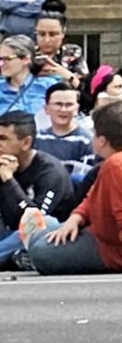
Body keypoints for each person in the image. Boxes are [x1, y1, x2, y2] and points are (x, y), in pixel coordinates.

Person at [22, 100, 122, 276]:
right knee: (48, 225)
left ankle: (27, 253)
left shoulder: (117, 165)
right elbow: (91, 198)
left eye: (94, 134)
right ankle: (31, 245)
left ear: (102, 141)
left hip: (113, 249)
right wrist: (75, 219)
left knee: (40, 251)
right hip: (100, 233)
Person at [0, 109, 75, 267]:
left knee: (33, 227)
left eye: (3, 139)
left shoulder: (51, 172)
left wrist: (8, 180)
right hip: (9, 232)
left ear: (26, 142)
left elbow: (35, 222)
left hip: (49, 236)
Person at [36, 84, 95, 174]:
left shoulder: (85, 141)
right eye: (58, 104)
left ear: (77, 109)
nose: (63, 110)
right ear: (46, 108)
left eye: (69, 105)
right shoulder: (38, 138)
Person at [0, 35, 56, 115]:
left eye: (7, 59)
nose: (1, 64)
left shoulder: (48, 86)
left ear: (25, 59)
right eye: (0, 59)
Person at [32, 11, 87, 88]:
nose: (47, 40)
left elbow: (84, 88)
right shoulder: (28, 54)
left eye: (53, 34)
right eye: (42, 34)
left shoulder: (71, 52)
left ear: (63, 33)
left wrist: (64, 73)